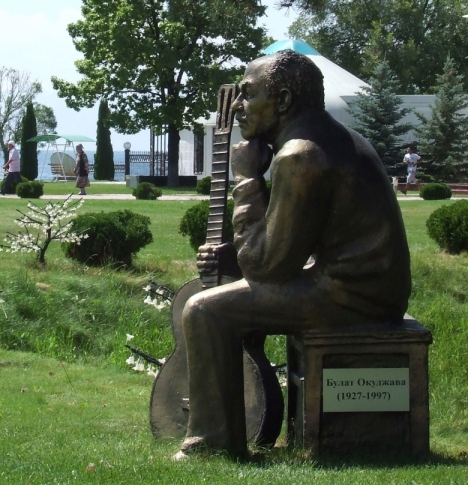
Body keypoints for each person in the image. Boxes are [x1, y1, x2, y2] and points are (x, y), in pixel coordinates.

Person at [173, 50, 411, 460]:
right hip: (368, 288)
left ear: (282, 101)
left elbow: (267, 268)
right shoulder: (329, 138)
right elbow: (287, 251)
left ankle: (211, 444)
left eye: (248, 95)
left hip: (353, 298)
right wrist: (239, 258)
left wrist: (247, 178)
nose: (237, 107)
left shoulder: (300, 155)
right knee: (214, 305)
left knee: (203, 310)